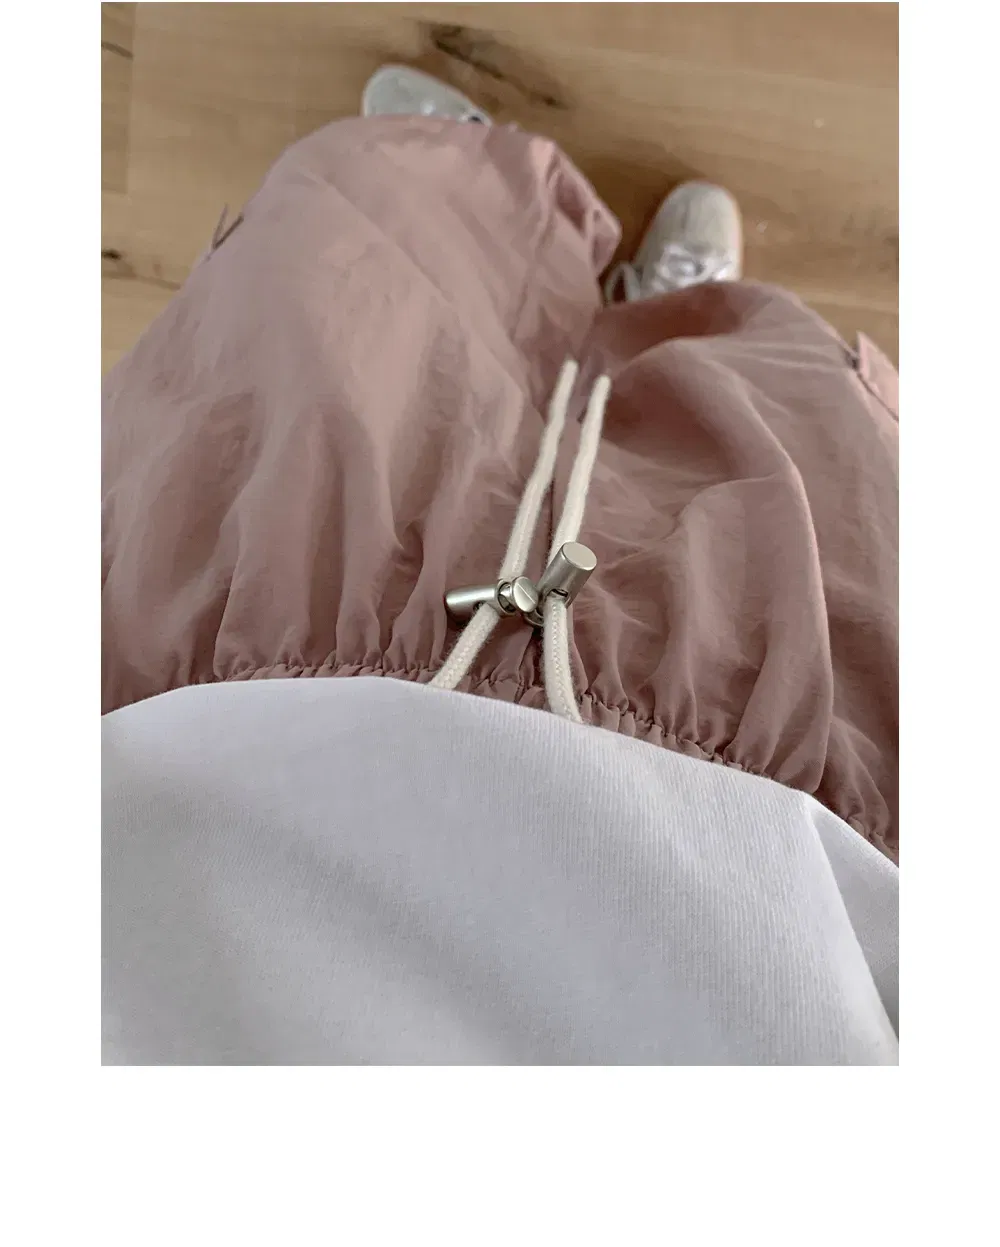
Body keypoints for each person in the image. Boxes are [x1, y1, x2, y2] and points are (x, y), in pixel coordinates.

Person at [102, 67, 898, 1065]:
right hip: (805, 872)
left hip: (201, 766)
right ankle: (675, 318)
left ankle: (453, 192)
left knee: (318, 316)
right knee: (787, 443)